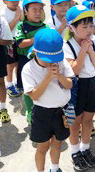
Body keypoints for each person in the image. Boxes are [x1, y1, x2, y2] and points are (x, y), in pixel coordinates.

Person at [22, 28, 74, 172]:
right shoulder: (28, 69)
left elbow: (69, 84)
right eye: (46, 59)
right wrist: (48, 78)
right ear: (36, 52)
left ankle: (55, 167)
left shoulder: (62, 63)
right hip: (42, 113)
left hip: (62, 110)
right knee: (42, 147)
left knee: (58, 142)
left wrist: (60, 76)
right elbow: (34, 95)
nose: (50, 63)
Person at [63, 5, 95, 171]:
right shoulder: (67, 45)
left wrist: (91, 51)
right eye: (84, 26)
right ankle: (75, 152)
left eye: (91, 25)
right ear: (72, 28)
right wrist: (82, 51)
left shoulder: (94, 42)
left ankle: (85, 148)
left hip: (92, 83)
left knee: (88, 119)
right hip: (76, 86)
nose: (89, 29)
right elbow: (74, 70)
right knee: (75, 122)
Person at [15, 0, 48, 123]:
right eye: (34, 10)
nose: (38, 13)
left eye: (40, 9)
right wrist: (36, 40)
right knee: (27, 88)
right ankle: (30, 110)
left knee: (41, 85)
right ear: (25, 11)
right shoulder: (21, 26)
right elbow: (20, 43)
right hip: (25, 61)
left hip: (41, 62)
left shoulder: (45, 27)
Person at [0, 0, 22, 98]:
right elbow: (6, 29)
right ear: (4, 0)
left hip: (19, 40)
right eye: (11, 0)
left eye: (17, 0)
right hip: (10, 41)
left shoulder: (20, 9)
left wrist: (21, 16)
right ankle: (9, 84)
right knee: (10, 64)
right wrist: (16, 18)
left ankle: (18, 82)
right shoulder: (3, 13)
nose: (15, 3)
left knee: (19, 63)